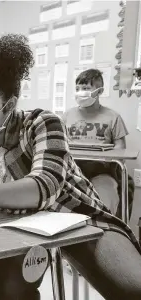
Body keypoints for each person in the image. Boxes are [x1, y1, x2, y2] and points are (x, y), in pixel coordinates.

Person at [0, 34, 141, 300]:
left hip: (81, 219)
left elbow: (43, 188)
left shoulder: (42, 124)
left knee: (132, 288)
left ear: (9, 105)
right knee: (10, 286)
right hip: (21, 228)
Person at [63, 69, 134, 218]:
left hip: (101, 172)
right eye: (78, 89)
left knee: (104, 202)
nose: (80, 92)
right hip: (73, 171)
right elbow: (60, 144)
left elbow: (120, 150)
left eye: (86, 88)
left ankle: (106, 230)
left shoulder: (113, 117)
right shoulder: (67, 116)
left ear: (99, 91)